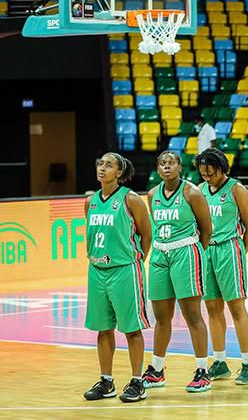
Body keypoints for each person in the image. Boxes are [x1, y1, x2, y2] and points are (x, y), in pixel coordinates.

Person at [83, 153, 151, 403]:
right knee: (104, 329)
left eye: (108, 165)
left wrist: (134, 261)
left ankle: (137, 381)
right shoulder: (90, 201)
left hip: (125, 269)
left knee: (132, 328)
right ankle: (107, 381)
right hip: (97, 270)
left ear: (119, 173)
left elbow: (146, 234)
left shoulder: (131, 199)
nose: (102, 168)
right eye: (100, 163)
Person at [142, 151, 213, 393]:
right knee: (161, 317)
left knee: (193, 315)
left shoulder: (192, 193)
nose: (166, 166)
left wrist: (194, 253)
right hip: (160, 254)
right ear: (157, 168)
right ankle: (156, 370)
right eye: (162, 163)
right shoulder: (152, 195)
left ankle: (203, 370)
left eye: (171, 162)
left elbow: (207, 230)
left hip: (186, 252)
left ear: (180, 167)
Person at [196, 148, 248, 385]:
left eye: (210, 173)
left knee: (236, 308)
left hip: (230, 249)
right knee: (212, 308)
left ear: (221, 168)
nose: (207, 177)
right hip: (207, 251)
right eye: (203, 174)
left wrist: (239, 250)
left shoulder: (236, 189)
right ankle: (220, 362)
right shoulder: (200, 190)